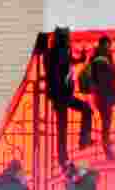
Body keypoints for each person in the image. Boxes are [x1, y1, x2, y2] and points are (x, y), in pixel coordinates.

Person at [40, 27, 94, 169]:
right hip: (61, 95)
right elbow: (62, 67)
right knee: (65, 125)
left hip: (63, 95)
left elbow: (70, 62)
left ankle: (80, 144)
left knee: (66, 124)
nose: (69, 40)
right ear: (64, 38)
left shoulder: (60, 51)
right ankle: (74, 149)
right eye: (67, 37)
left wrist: (81, 58)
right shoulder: (59, 52)